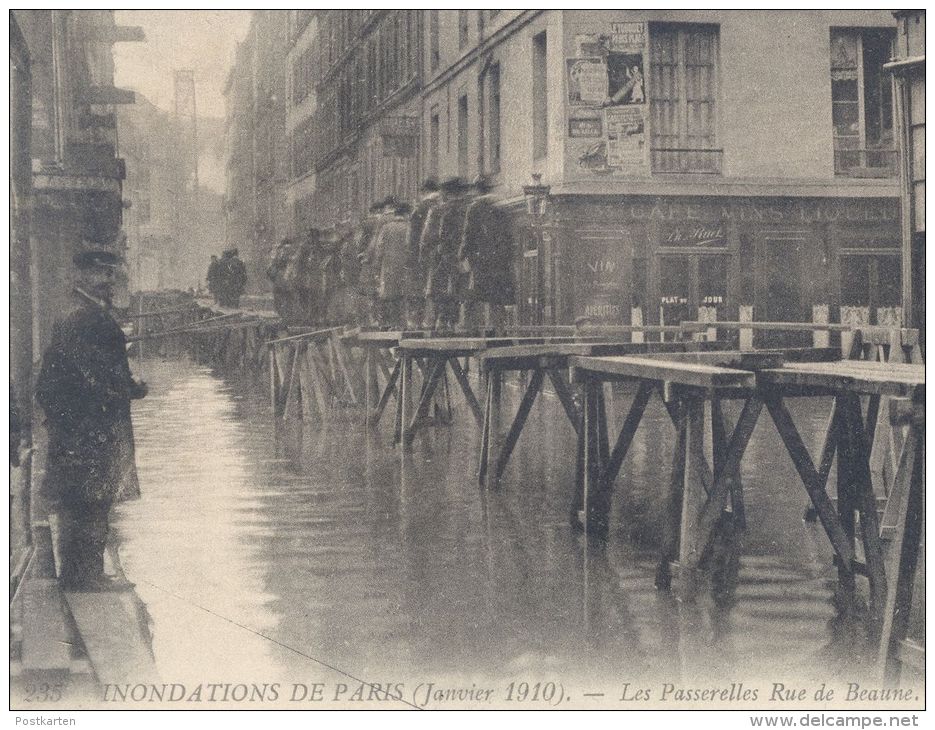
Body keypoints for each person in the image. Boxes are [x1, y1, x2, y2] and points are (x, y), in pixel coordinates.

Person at [36, 249, 148, 591]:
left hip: (80, 424)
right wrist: (129, 389)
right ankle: (87, 576)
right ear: (82, 276)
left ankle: (80, 573)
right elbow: (90, 376)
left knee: (84, 498)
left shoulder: (80, 311)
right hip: (91, 425)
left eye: (111, 274)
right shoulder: (85, 318)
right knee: (92, 498)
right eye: (102, 274)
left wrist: (125, 387)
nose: (109, 281)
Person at [459, 175, 516, 330]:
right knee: (497, 301)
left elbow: (468, 234)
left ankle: (469, 333)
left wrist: (462, 255)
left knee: (472, 298)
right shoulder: (501, 206)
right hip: (500, 262)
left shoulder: (475, 207)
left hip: (481, 262)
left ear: (477, 190)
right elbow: (510, 236)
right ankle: (499, 332)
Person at [372, 202, 413, 328]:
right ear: (406, 214)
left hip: (388, 266)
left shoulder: (386, 227)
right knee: (403, 294)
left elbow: (379, 248)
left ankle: (387, 323)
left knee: (388, 295)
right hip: (405, 265)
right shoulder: (409, 227)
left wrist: (377, 266)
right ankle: (402, 324)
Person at [407, 178, 439, 329]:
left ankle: (423, 322)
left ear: (424, 192)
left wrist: (413, 258)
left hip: (423, 255)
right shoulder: (442, 204)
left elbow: (412, 237)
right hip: (442, 255)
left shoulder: (420, 209)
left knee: (421, 289)